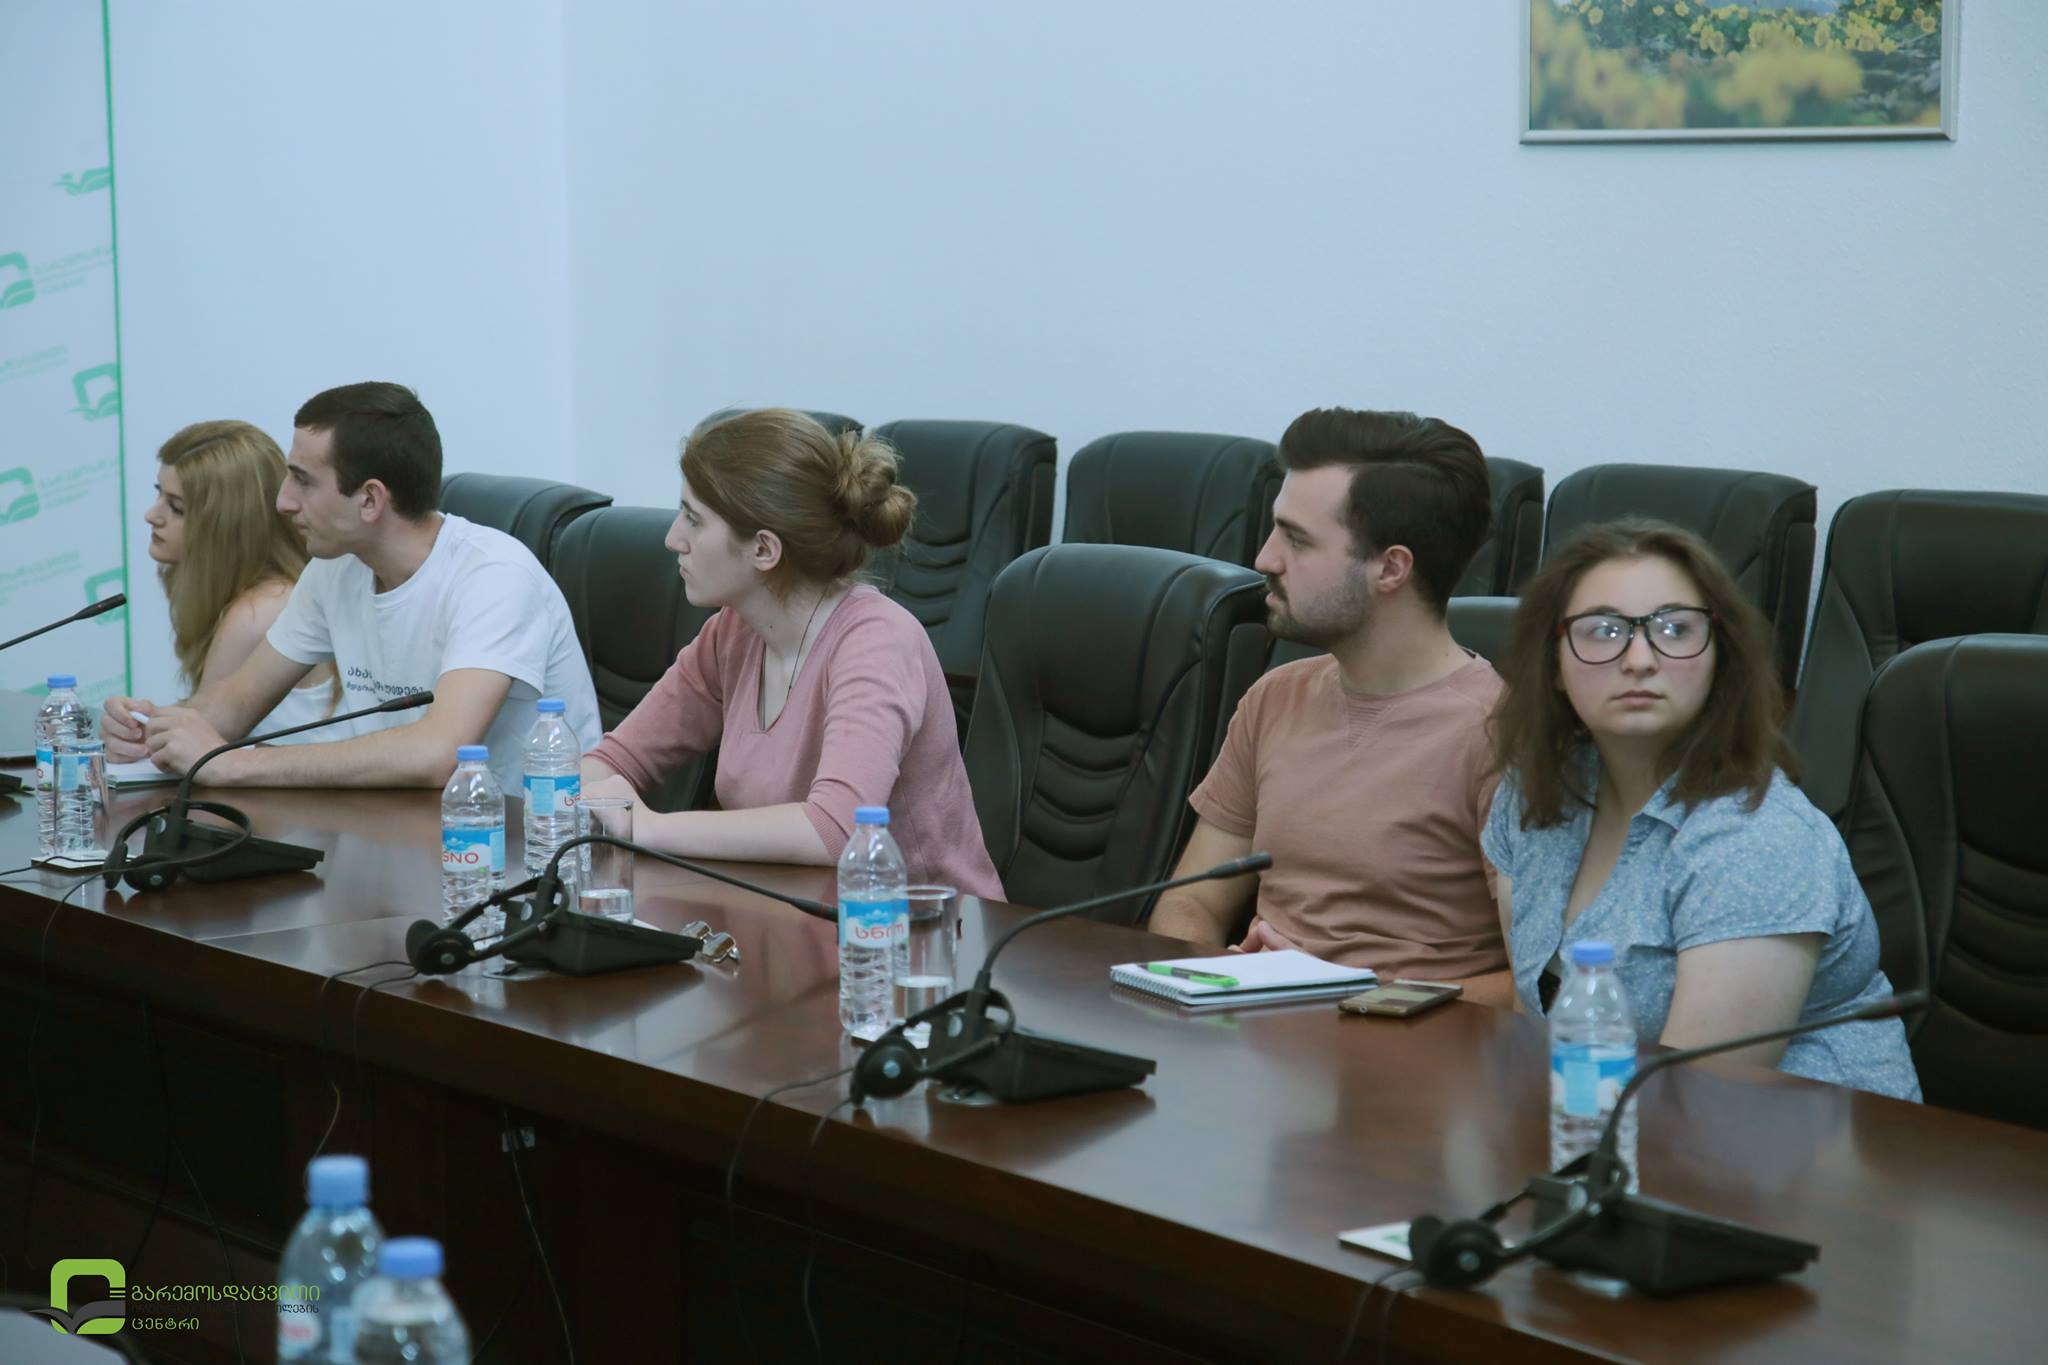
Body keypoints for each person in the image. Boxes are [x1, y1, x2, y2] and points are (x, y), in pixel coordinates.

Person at [1481, 519, 1919, 1098]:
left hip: (1796, 1137)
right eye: (1604, 631)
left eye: (1676, 629)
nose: (1640, 659)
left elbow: (1700, 1098)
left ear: (1720, 658)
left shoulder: (1759, 839)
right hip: (1601, 1123)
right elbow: (1530, 1021)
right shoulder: (1535, 791)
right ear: (1553, 663)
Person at [1147, 408, 1511, 1002]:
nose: (1265, 559)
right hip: (1256, 1033)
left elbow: (1536, 991)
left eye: (1297, 540)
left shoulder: (1502, 734)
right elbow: (1190, 902)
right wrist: (1220, 976)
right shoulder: (1274, 696)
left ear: (1390, 568)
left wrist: (1345, 993)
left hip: (1411, 1050)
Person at [580, 408, 1001, 897]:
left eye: (693, 520)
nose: (673, 539)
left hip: (920, 930)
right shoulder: (732, 633)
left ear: (764, 550)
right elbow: (616, 759)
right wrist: (574, 795)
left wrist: (649, 827)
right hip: (792, 916)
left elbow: (835, 830)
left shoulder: (878, 640)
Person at [102, 382, 600, 791]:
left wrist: (232, 764)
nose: (283, 502)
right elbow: (235, 703)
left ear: (369, 500)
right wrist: (153, 729)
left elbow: (437, 754)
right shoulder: (336, 568)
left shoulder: (494, 577)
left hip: (513, 847)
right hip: (399, 828)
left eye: (303, 481)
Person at [101, 420, 338, 761]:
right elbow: (194, 728)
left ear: (229, 524)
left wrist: (139, 736)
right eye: (158, 493)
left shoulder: (258, 611)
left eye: (177, 507)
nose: (152, 515)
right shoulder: (254, 593)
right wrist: (131, 726)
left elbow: (193, 742)